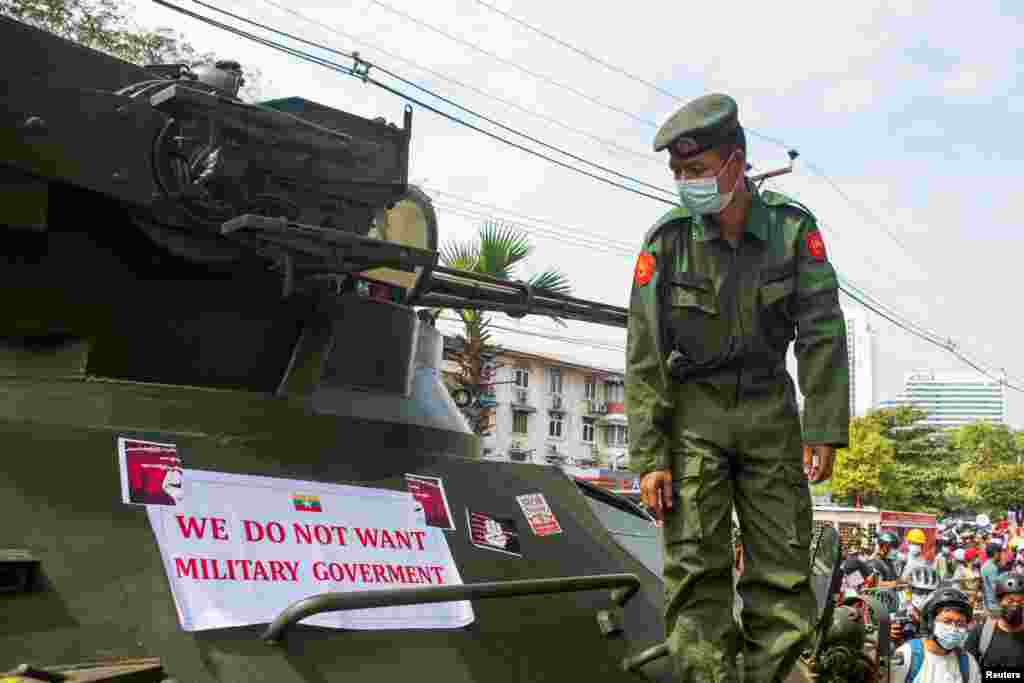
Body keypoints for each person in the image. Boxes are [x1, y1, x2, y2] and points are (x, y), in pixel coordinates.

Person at [628, 93, 850, 683]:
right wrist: (650, 457)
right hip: (693, 417)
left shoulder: (791, 230)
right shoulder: (666, 242)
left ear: (735, 163)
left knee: (781, 567)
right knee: (695, 566)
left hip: (770, 411)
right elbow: (645, 354)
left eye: (696, 171)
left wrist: (824, 427)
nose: (685, 183)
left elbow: (821, 330)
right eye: (678, 172)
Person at [890, 587, 982, 683]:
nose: (954, 628)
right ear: (930, 623)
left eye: (960, 624)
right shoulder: (907, 655)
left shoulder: (968, 663)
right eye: (947, 621)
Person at [964, 573, 1024, 671]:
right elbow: (968, 671)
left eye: (1021, 602)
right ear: (1000, 602)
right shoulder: (981, 633)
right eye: (1010, 601)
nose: (1015, 606)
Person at [890, 566, 941, 649]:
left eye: (929, 592)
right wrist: (887, 631)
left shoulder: (941, 611)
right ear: (908, 589)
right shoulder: (897, 606)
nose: (924, 596)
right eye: (920, 591)